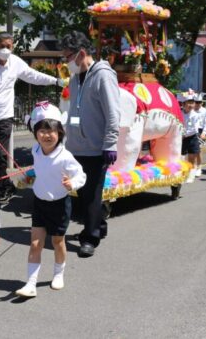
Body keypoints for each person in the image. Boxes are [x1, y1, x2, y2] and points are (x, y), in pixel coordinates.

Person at [0, 32, 63, 204]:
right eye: (1, 46)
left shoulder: (15, 63)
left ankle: (1, 190)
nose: (5, 49)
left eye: (8, 46)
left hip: (4, 117)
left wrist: (55, 81)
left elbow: (33, 76)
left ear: (12, 46)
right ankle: (2, 185)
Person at [15, 102, 86, 298]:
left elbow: (81, 175)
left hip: (60, 204)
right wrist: (28, 177)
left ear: (60, 132)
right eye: (42, 131)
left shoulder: (65, 156)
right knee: (35, 244)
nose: (46, 135)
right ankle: (30, 284)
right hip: (39, 202)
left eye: (51, 131)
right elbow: (38, 170)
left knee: (57, 241)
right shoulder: (36, 151)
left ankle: (58, 273)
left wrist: (72, 183)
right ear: (35, 132)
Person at [60, 31, 120, 258]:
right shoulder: (76, 78)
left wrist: (110, 143)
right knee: (84, 193)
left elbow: (113, 113)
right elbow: (73, 110)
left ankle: (90, 237)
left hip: (96, 147)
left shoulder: (103, 75)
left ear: (82, 53)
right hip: (76, 146)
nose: (66, 62)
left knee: (92, 195)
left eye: (68, 57)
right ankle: (99, 226)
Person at [178, 89, 201, 183]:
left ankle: (191, 175)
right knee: (181, 157)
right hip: (181, 138)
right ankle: (182, 175)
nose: (191, 105)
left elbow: (195, 129)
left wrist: (185, 134)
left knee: (192, 157)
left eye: (192, 103)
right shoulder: (179, 113)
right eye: (188, 103)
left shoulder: (196, 115)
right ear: (183, 104)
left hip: (192, 138)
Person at [193, 93, 206, 177]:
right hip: (192, 131)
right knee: (191, 151)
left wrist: (204, 132)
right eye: (196, 102)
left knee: (199, 150)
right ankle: (192, 166)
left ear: (202, 103)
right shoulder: (191, 109)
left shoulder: (205, 111)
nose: (198, 104)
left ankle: (199, 167)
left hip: (201, 131)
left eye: (199, 102)